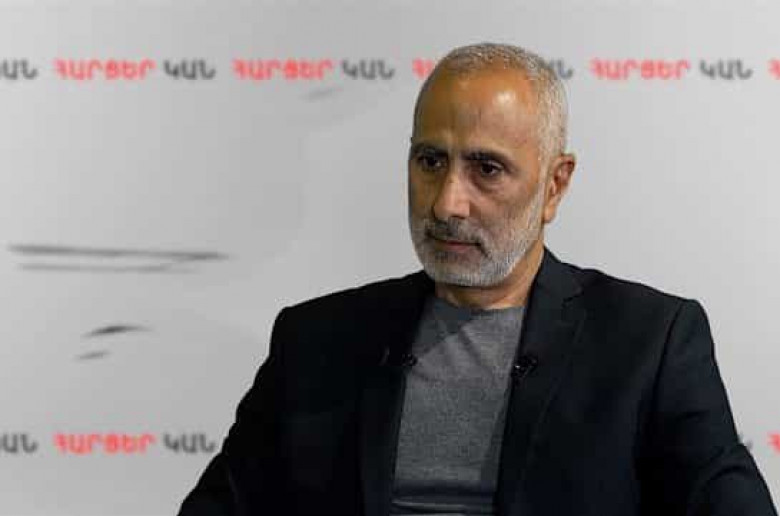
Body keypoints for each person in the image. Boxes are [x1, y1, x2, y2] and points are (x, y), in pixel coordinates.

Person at [177, 42, 777, 516]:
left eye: (486, 168)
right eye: (430, 161)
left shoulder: (650, 343)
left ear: (555, 185)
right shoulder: (315, 339)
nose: (447, 203)